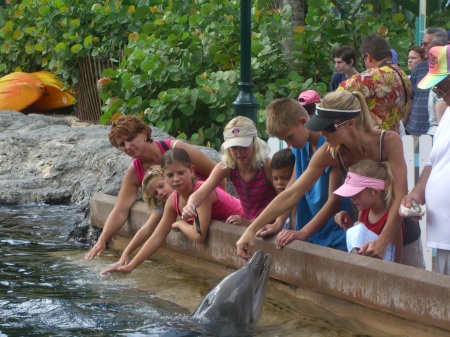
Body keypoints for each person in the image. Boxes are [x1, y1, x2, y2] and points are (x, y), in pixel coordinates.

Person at [237, 90, 423, 268]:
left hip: (399, 231)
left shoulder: (388, 141)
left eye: (328, 128)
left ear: (350, 123)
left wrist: (383, 241)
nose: (323, 134)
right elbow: (291, 193)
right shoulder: (330, 151)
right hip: (365, 233)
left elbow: (400, 194)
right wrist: (251, 230)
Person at [85, 115, 221, 260]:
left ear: (144, 133)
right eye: (122, 144)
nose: (127, 147)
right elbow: (121, 209)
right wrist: (103, 239)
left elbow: (218, 173)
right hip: (178, 210)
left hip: (207, 203)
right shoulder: (134, 170)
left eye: (130, 139)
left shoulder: (175, 149)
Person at [102, 148, 244, 274]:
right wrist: (131, 266)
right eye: (170, 175)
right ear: (164, 176)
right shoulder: (172, 200)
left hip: (246, 221)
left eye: (181, 173)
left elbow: (199, 236)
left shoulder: (201, 192)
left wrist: (180, 224)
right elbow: (157, 237)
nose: (176, 179)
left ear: (192, 170)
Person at [249, 97, 349, 251]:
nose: (289, 144)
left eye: (289, 137)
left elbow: (334, 200)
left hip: (335, 235)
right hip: (308, 235)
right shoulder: (299, 147)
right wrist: (278, 223)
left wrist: (303, 232)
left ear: (303, 122)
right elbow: (292, 189)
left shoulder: (330, 145)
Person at [401, 44, 450, 275]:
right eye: (437, 89)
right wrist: (417, 193)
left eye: (443, 88)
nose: (439, 94)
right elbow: (434, 161)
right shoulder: (448, 113)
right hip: (443, 236)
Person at [182, 116, 277, 227]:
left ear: (254, 142)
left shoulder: (267, 166)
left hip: (272, 225)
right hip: (250, 225)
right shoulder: (227, 167)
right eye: (234, 147)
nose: (239, 152)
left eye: (244, 146)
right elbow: (200, 193)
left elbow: (284, 201)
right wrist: (190, 205)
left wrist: (249, 223)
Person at [338, 35, 411, 133]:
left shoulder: (372, 76)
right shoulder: (404, 76)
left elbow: (335, 98)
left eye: (364, 59)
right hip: (394, 141)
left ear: (368, 56)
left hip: (372, 142)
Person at [334, 159, 403, 262]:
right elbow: (359, 245)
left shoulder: (391, 222)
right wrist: (348, 225)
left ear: (374, 191)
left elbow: (396, 260)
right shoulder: (364, 211)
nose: (351, 198)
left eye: (356, 193)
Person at [113, 169, 173, 267]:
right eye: (156, 193)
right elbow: (146, 229)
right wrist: (126, 253)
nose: (160, 193)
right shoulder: (163, 205)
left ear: (166, 179)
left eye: (161, 186)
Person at [404, 27, 448, 148]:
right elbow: (411, 98)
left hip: (438, 133)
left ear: (439, 46)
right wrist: (403, 124)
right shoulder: (419, 68)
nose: (422, 47)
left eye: (425, 44)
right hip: (415, 131)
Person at [270, 148, 295, 230]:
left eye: (285, 178)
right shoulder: (279, 200)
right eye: (275, 178)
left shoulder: (299, 200)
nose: (279, 182)